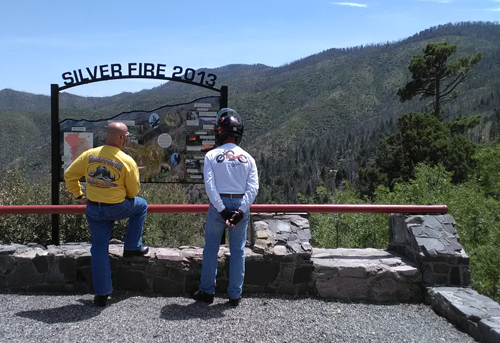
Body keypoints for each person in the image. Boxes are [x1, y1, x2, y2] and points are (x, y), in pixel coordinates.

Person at [64, 121, 149, 307]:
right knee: (142, 205)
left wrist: (79, 195)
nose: (126, 138)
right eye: (126, 136)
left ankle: (101, 295)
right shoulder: (126, 161)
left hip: (94, 209)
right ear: (121, 138)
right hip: (117, 207)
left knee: (99, 249)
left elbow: (69, 175)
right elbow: (133, 193)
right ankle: (132, 246)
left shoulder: (89, 155)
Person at [192, 108, 259, 306]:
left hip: (218, 204)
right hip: (241, 203)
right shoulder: (248, 158)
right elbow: (253, 187)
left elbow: (210, 187)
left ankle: (207, 292)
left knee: (211, 248)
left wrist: (222, 209)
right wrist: (240, 211)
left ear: (219, 132)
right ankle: (234, 295)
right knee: (238, 251)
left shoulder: (212, 156)